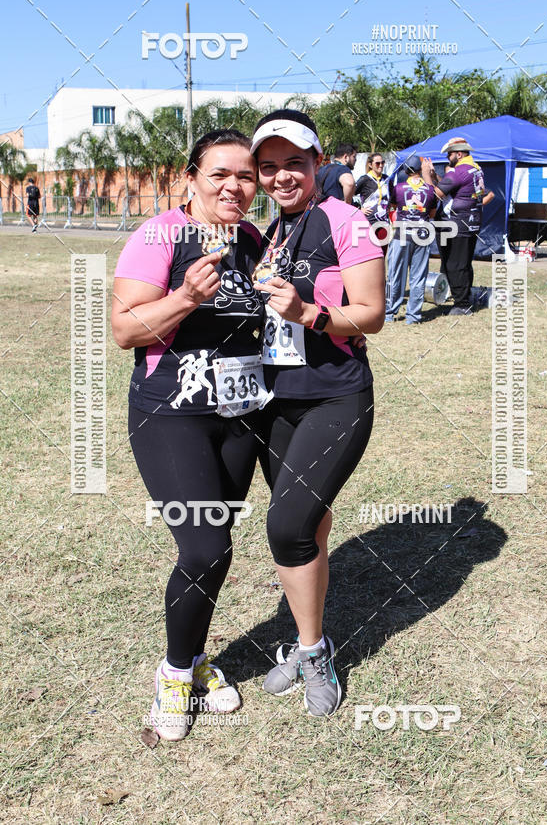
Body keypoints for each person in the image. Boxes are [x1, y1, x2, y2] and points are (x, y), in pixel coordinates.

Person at [111, 129, 269, 741]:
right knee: (207, 549)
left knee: (213, 544)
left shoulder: (253, 240)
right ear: (192, 178)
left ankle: (198, 656)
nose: (234, 186)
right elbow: (125, 330)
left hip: (238, 415)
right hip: (170, 414)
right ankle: (175, 676)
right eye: (220, 174)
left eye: (246, 176)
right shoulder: (160, 236)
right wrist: (183, 297)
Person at [250, 109, 385, 716]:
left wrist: (310, 314)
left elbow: (372, 313)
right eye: (269, 166)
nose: (282, 177)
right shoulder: (268, 232)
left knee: (286, 526)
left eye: (294, 163)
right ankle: (308, 639)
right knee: (311, 523)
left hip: (336, 396)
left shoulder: (348, 221)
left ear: (318, 161)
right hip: (275, 400)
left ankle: (314, 649)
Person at [422, 138, 495, 316]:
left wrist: (426, 176)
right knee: (463, 263)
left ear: (459, 154)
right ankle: (464, 299)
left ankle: (462, 304)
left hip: (456, 224)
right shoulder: (475, 168)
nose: (448, 158)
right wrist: (434, 176)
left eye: (450, 154)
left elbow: (435, 195)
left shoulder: (459, 171)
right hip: (470, 222)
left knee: (455, 265)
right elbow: (450, 185)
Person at [386, 155, 437, 324]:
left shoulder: (399, 188)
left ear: (406, 170)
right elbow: (432, 214)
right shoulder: (430, 190)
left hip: (401, 235)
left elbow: (392, 208)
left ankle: (389, 313)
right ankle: (413, 316)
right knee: (419, 276)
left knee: (395, 275)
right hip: (422, 235)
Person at [355, 153, 387, 218]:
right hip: (369, 218)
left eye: (382, 163)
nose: (381, 165)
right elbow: (348, 196)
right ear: (370, 165)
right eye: (377, 163)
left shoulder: (386, 179)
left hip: (384, 218)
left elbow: (392, 197)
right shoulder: (364, 179)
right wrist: (359, 209)